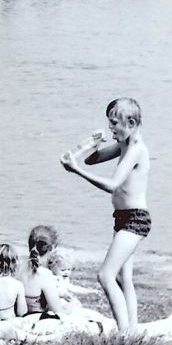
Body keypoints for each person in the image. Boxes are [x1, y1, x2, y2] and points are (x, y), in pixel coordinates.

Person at [61, 98, 151, 332]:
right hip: (123, 218)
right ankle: (132, 333)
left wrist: (76, 170)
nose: (111, 129)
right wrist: (91, 145)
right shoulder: (125, 144)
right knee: (123, 278)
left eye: (114, 124)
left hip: (136, 220)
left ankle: (123, 336)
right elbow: (93, 159)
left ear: (130, 123)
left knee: (105, 275)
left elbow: (112, 184)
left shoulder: (136, 149)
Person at [19, 225, 64, 316]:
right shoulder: (45, 274)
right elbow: (58, 312)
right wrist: (71, 306)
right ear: (52, 248)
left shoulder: (18, 265)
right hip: (35, 320)